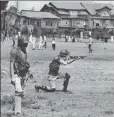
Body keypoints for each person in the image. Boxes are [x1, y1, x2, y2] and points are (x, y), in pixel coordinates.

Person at [10, 21, 32, 115]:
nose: (26, 45)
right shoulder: (15, 51)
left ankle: (15, 108)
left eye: (27, 44)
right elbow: (11, 64)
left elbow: (24, 62)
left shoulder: (24, 51)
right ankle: (17, 112)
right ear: (20, 42)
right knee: (18, 92)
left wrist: (29, 72)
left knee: (22, 92)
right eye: (25, 44)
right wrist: (12, 77)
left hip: (23, 74)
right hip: (17, 74)